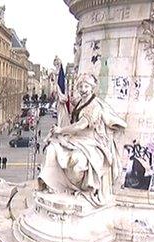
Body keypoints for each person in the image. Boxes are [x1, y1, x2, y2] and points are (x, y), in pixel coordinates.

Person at [39, 73, 127, 207]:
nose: (82, 89)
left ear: (92, 88)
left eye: (86, 86)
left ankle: (80, 188)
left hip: (91, 142)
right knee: (52, 148)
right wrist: (63, 95)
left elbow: (80, 125)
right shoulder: (81, 101)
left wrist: (61, 130)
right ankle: (54, 184)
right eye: (80, 86)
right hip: (77, 139)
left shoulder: (94, 106)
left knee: (76, 160)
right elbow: (72, 105)